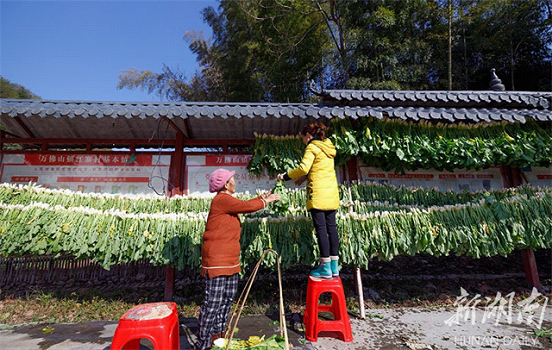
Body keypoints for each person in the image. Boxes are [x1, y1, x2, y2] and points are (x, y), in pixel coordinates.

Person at [196, 168, 280, 350]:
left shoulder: (228, 201)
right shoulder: (222, 199)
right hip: (217, 261)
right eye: (233, 179)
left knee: (226, 300)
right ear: (226, 184)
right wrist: (266, 201)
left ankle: (218, 337)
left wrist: (262, 198)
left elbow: (243, 204)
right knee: (213, 304)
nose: (235, 182)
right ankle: (202, 343)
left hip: (230, 261)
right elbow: (246, 206)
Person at [277, 123, 340, 279]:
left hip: (318, 194)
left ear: (308, 135)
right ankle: (334, 267)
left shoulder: (312, 147)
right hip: (331, 192)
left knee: (321, 230)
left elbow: (304, 167)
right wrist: (304, 179)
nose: (303, 142)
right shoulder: (328, 147)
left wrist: (285, 176)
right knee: (332, 229)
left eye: (303, 138)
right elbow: (319, 168)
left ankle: (324, 267)